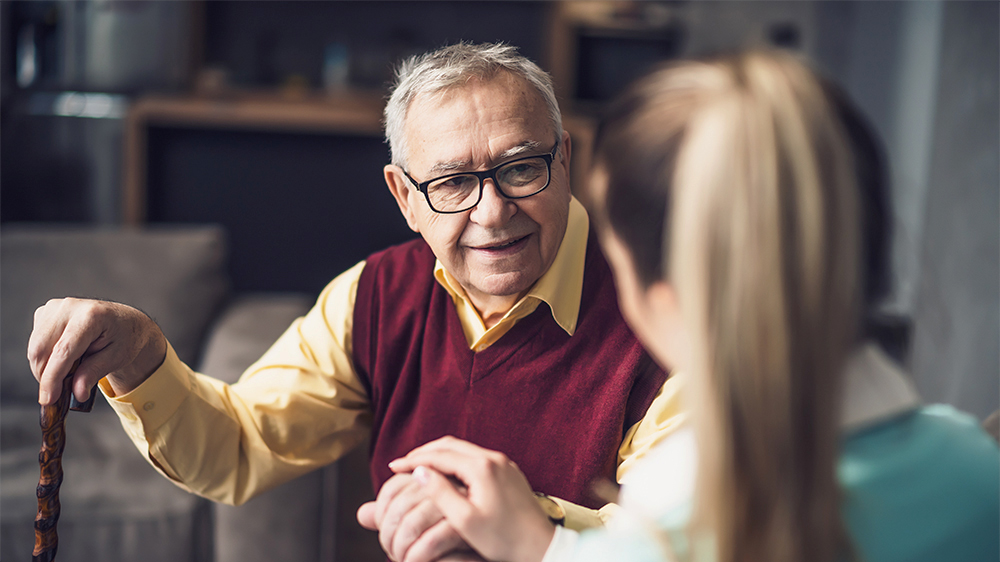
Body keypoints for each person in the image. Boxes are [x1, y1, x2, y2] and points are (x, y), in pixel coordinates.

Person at [27, 42, 681, 562]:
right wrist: (141, 355)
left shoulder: (669, 311)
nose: (492, 212)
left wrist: (521, 523)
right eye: (453, 183)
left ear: (564, 161)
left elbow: (687, 541)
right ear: (404, 198)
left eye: (520, 168)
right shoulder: (374, 296)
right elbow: (240, 446)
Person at [385, 51, 1000, 562]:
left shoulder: (674, 516)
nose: (492, 211)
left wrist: (538, 546)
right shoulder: (975, 467)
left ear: (668, 291)